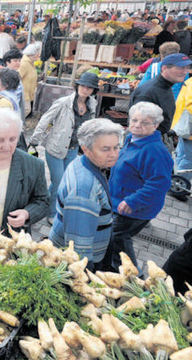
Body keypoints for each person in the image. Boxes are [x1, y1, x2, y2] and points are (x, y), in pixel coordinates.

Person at [101, 102, 172, 272]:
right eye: (134, 120)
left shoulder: (155, 151)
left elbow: (159, 184)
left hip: (135, 208)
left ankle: (133, 274)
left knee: (118, 236)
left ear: (155, 125)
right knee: (115, 236)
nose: (137, 125)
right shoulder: (132, 139)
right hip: (119, 200)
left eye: (144, 122)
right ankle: (114, 266)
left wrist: (132, 201)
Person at [48, 118, 123, 267]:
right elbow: (78, 248)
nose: (114, 154)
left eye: (116, 147)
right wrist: (87, 273)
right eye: (105, 149)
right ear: (86, 149)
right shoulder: (84, 191)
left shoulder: (81, 162)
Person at [29, 72, 99, 221]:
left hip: (73, 149)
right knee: (59, 181)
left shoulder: (92, 104)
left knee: (62, 182)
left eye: (89, 87)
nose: (85, 89)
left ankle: (44, 202)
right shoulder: (63, 103)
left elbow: (89, 124)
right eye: (83, 85)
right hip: (55, 147)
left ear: (93, 90)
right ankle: (52, 213)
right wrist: (35, 140)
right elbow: (46, 120)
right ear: (77, 85)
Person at [131, 53, 192, 135]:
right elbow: (139, 129)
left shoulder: (166, 86)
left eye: (187, 68)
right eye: (180, 68)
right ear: (164, 68)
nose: (185, 72)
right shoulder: (149, 92)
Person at [19, 42, 41, 116]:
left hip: (28, 92)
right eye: (36, 55)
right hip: (24, 93)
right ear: (31, 55)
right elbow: (18, 77)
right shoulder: (24, 64)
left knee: (26, 110)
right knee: (26, 110)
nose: (38, 56)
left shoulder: (31, 63)